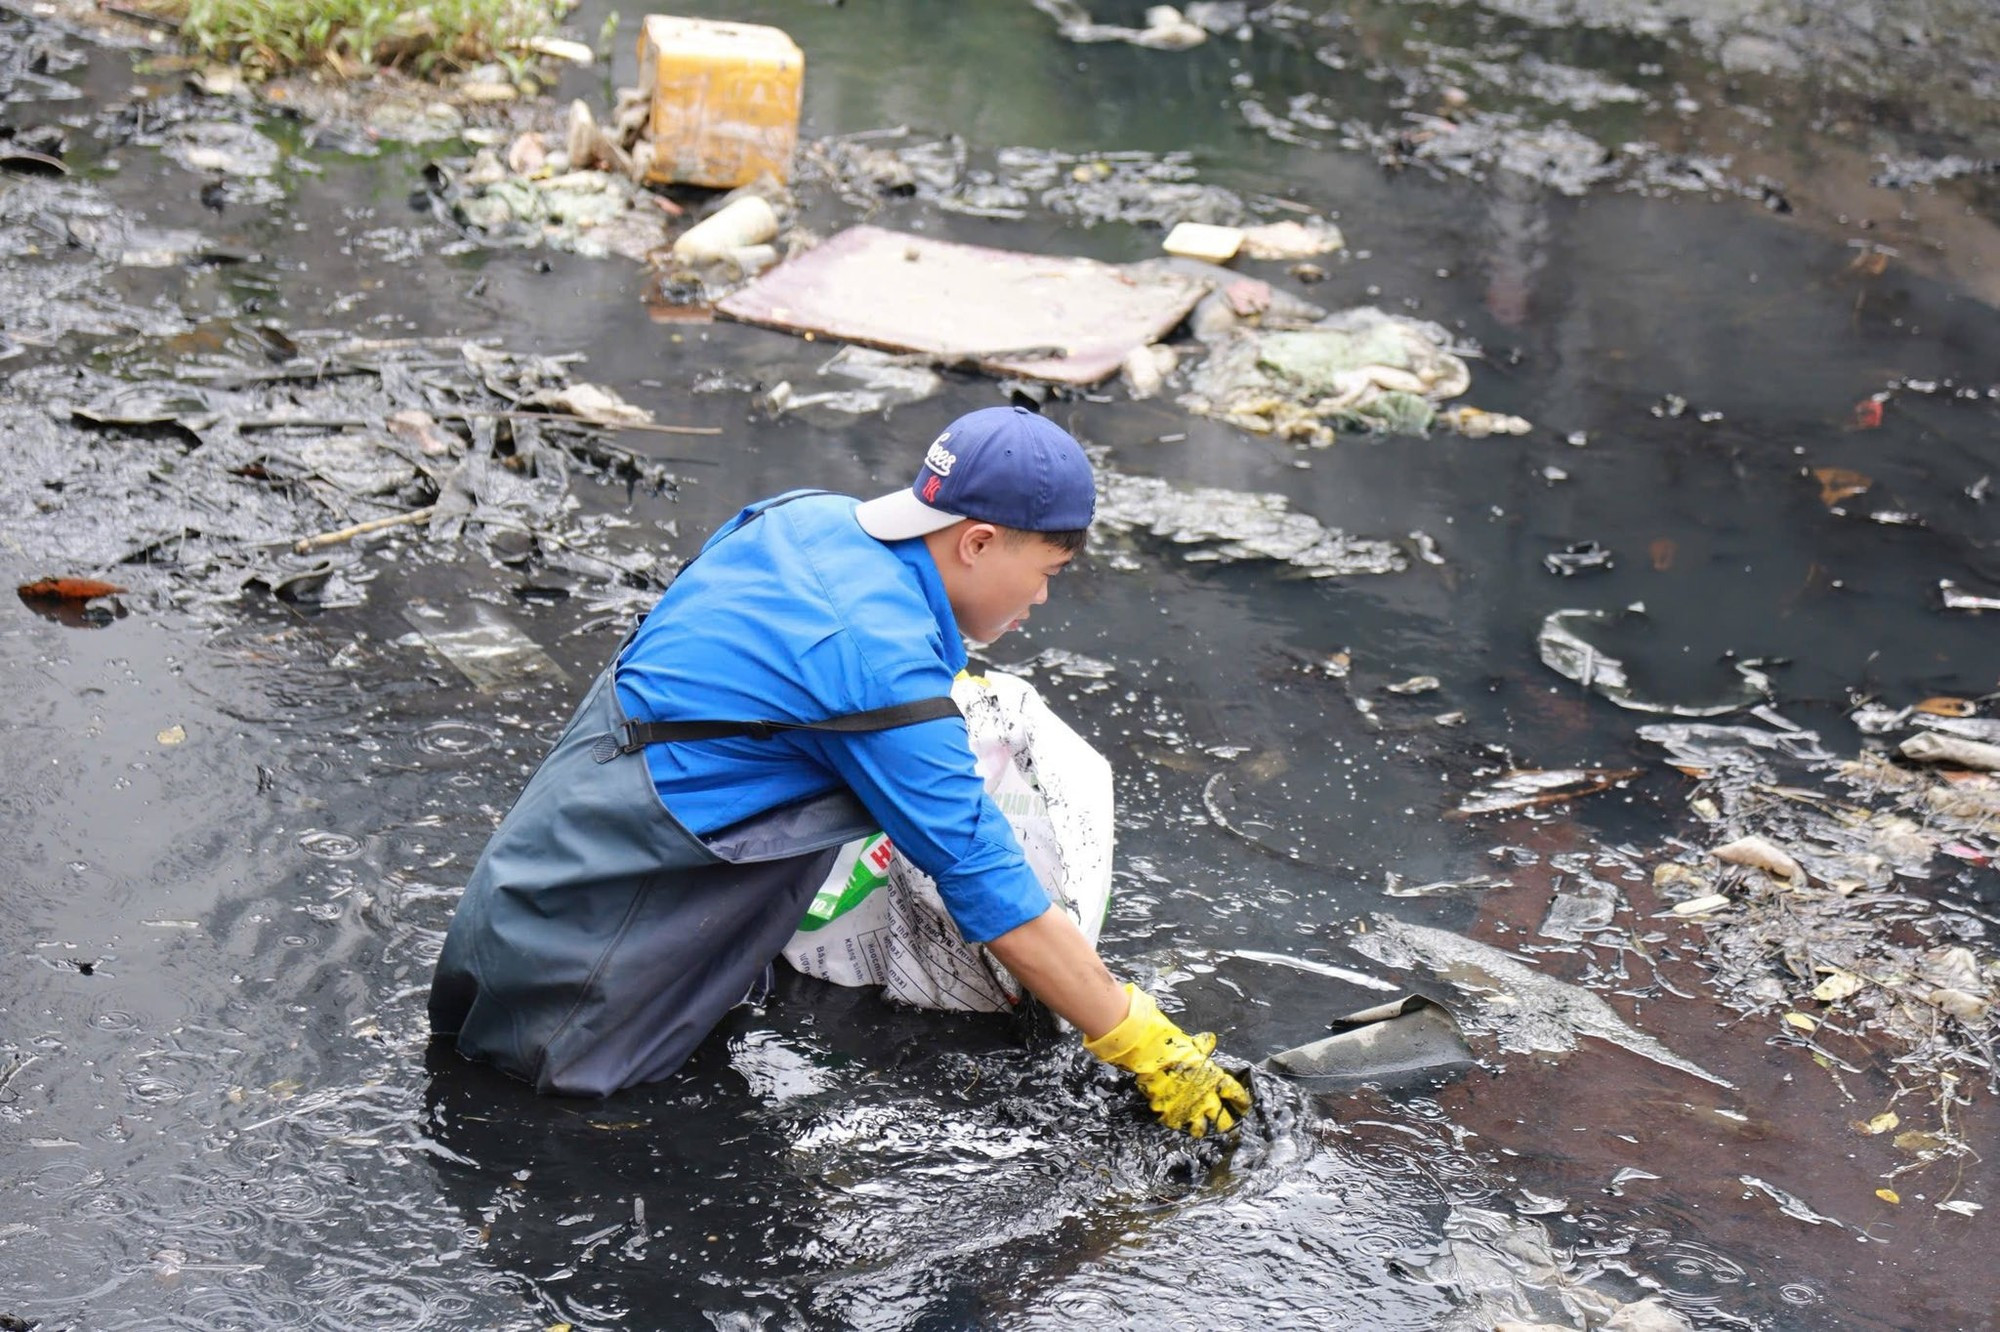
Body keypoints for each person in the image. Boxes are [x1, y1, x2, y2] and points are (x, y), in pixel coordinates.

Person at [427, 405, 1250, 1136]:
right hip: (582, 974)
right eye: (1046, 573)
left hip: (523, 897)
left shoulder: (803, 518)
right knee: (566, 1148)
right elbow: (994, 892)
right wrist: (1149, 1047)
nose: (1041, 600)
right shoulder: (877, 672)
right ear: (978, 542)